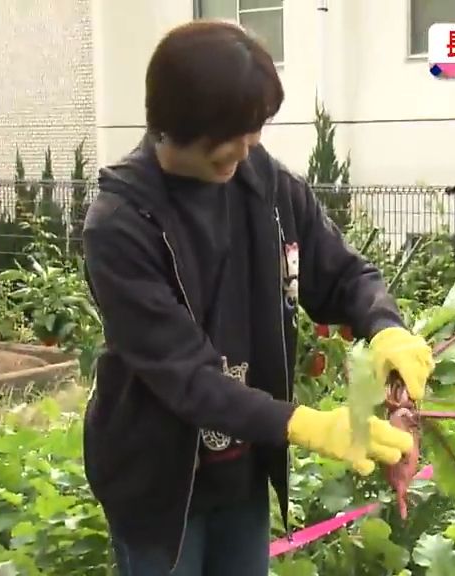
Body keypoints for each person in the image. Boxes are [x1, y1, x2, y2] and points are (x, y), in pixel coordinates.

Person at [80, 19, 435, 576]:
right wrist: (308, 424)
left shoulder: (264, 187)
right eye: (230, 136)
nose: (244, 150)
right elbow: (187, 377)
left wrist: (384, 325)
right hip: (155, 482)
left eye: (255, 132)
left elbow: (341, 273)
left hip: (242, 463)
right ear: (173, 127)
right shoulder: (122, 226)